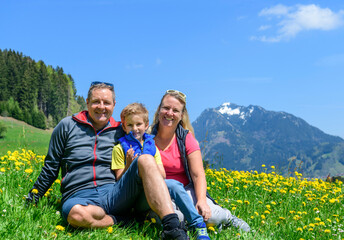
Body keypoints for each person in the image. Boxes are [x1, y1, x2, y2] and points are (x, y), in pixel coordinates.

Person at [26, 82, 189, 240]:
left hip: (114, 192)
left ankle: (172, 227)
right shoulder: (67, 126)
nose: (101, 107)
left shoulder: (122, 129)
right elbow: (51, 167)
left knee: (145, 159)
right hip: (78, 194)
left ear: (114, 105)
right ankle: (124, 221)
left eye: (107, 102)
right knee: (76, 214)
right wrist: (33, 197)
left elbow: (148, 133)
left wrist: (183, 136)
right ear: (87, 102)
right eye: (96, 101)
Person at [150, 90, 250, 232]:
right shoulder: (147, 137)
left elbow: (198, 174)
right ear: (159, 109)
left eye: (175, 110)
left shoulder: (186, 138)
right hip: (160, 191)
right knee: (172, 219)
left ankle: (226, 216)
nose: (169, 113)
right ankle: (201, 225)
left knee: (209, 216)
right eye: (166, 108)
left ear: (181, 116)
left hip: (187, 190)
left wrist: (202, 201)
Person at [111, 102, 210, 240]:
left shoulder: (152, 147)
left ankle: (198, 225)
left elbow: (162, 175)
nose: (135, 129)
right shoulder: (119, 149)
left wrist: (148, 164)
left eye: (139, 124)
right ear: (124, 127)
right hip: (134, 199)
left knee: (175, 185)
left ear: (146, 126)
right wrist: (129, 164)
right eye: (130, 125)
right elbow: (119, 181)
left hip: (150, 193)